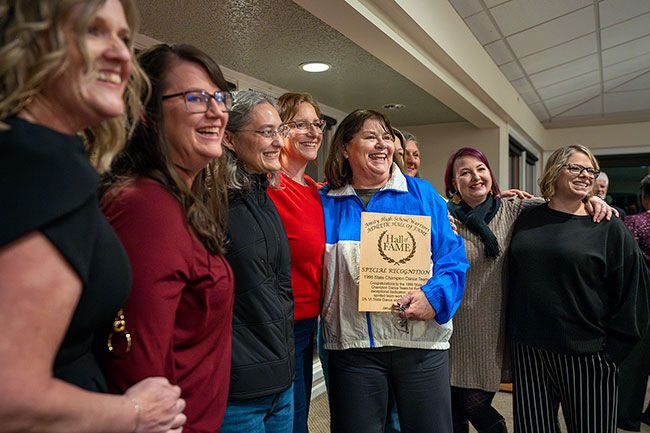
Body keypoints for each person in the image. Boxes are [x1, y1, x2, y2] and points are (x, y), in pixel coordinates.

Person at [0, 1, 186, 432]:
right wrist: (136, 414)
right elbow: (11, 399)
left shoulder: (42, 152)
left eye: (123, 37)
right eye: (93, 31)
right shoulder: (36, 160)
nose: (122, 54)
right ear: (31, 41)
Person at [100, 43, 235, 433]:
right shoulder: (147, 208)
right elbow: (138, 371)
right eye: (195, 97)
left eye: (220, 97)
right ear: (148, 115)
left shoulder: (180, 200)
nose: (216, 111)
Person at [320, 109, 469, 433]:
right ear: (345, 147)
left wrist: (434, 297)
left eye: (386, 137)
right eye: (370, 136)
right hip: (354, 350)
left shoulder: (423, 195)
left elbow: (453, 259)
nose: (382, 145)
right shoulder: (326, 202)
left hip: (421, 347)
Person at [508, 144, 650, 433]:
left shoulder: (608, 226)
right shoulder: (526, 217)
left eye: (590, 170)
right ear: (555, 171)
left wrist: (612, 355)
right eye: (576, 167)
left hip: (587, 353)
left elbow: (634, 293)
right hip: (529, 350)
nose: (585, 175)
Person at [219, 90, 295, 433]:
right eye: (265, 132)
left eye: (279, 131)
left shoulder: (264, 197)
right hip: (239, 390)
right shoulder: (213, 205)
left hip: (281, 381)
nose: (277, 141)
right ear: (231, 139)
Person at [266, 92, 326, 433]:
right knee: (287, 423)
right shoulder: (268, 187)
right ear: (280, 131)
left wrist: (446, 214)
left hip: (310, 324)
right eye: (300, 124)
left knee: (298, 417)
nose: (313, 132)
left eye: (316, 124)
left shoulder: (318, 191)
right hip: (276, 324)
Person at [618, 174, 650, 431]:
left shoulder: (635, 222)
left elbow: (627, 261)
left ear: (644, 196)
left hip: (643, 297)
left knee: (635, 360)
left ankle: (627, 416)